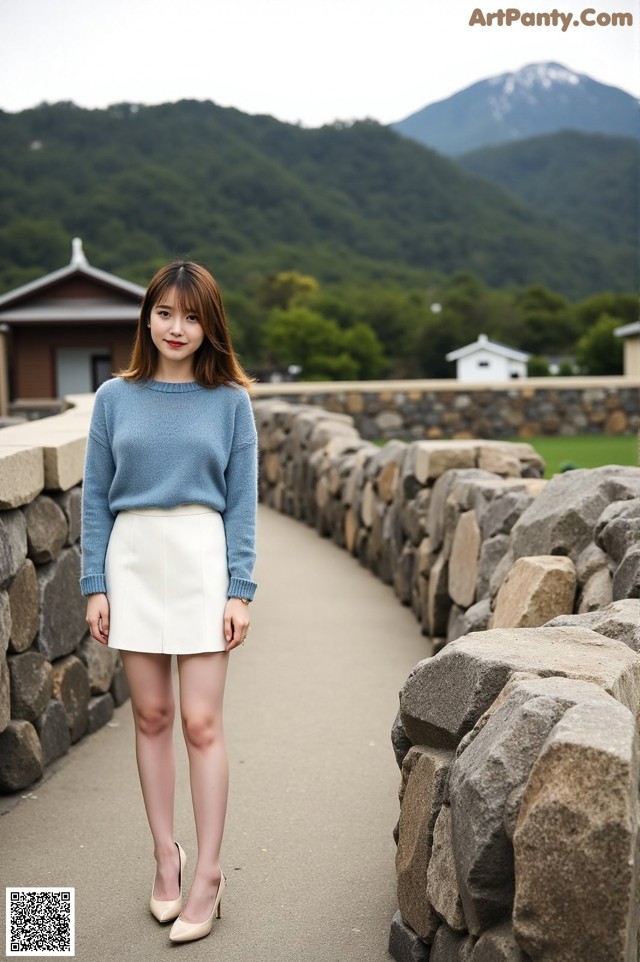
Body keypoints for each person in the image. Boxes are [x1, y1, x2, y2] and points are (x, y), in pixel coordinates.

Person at [79, 261, 258, 945]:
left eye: (190, 316)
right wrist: (95, 582)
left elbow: (242, 503)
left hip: (201, 560)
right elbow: (95, 496)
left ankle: (208, 874)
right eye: (164, 313)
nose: (176, 328)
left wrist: (241, 591)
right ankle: (166, 857)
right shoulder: (114, 398)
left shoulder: (230, 402)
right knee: (150, 716)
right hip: (131, 560)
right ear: (147, 316)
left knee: (200, 721)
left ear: (209, 324)